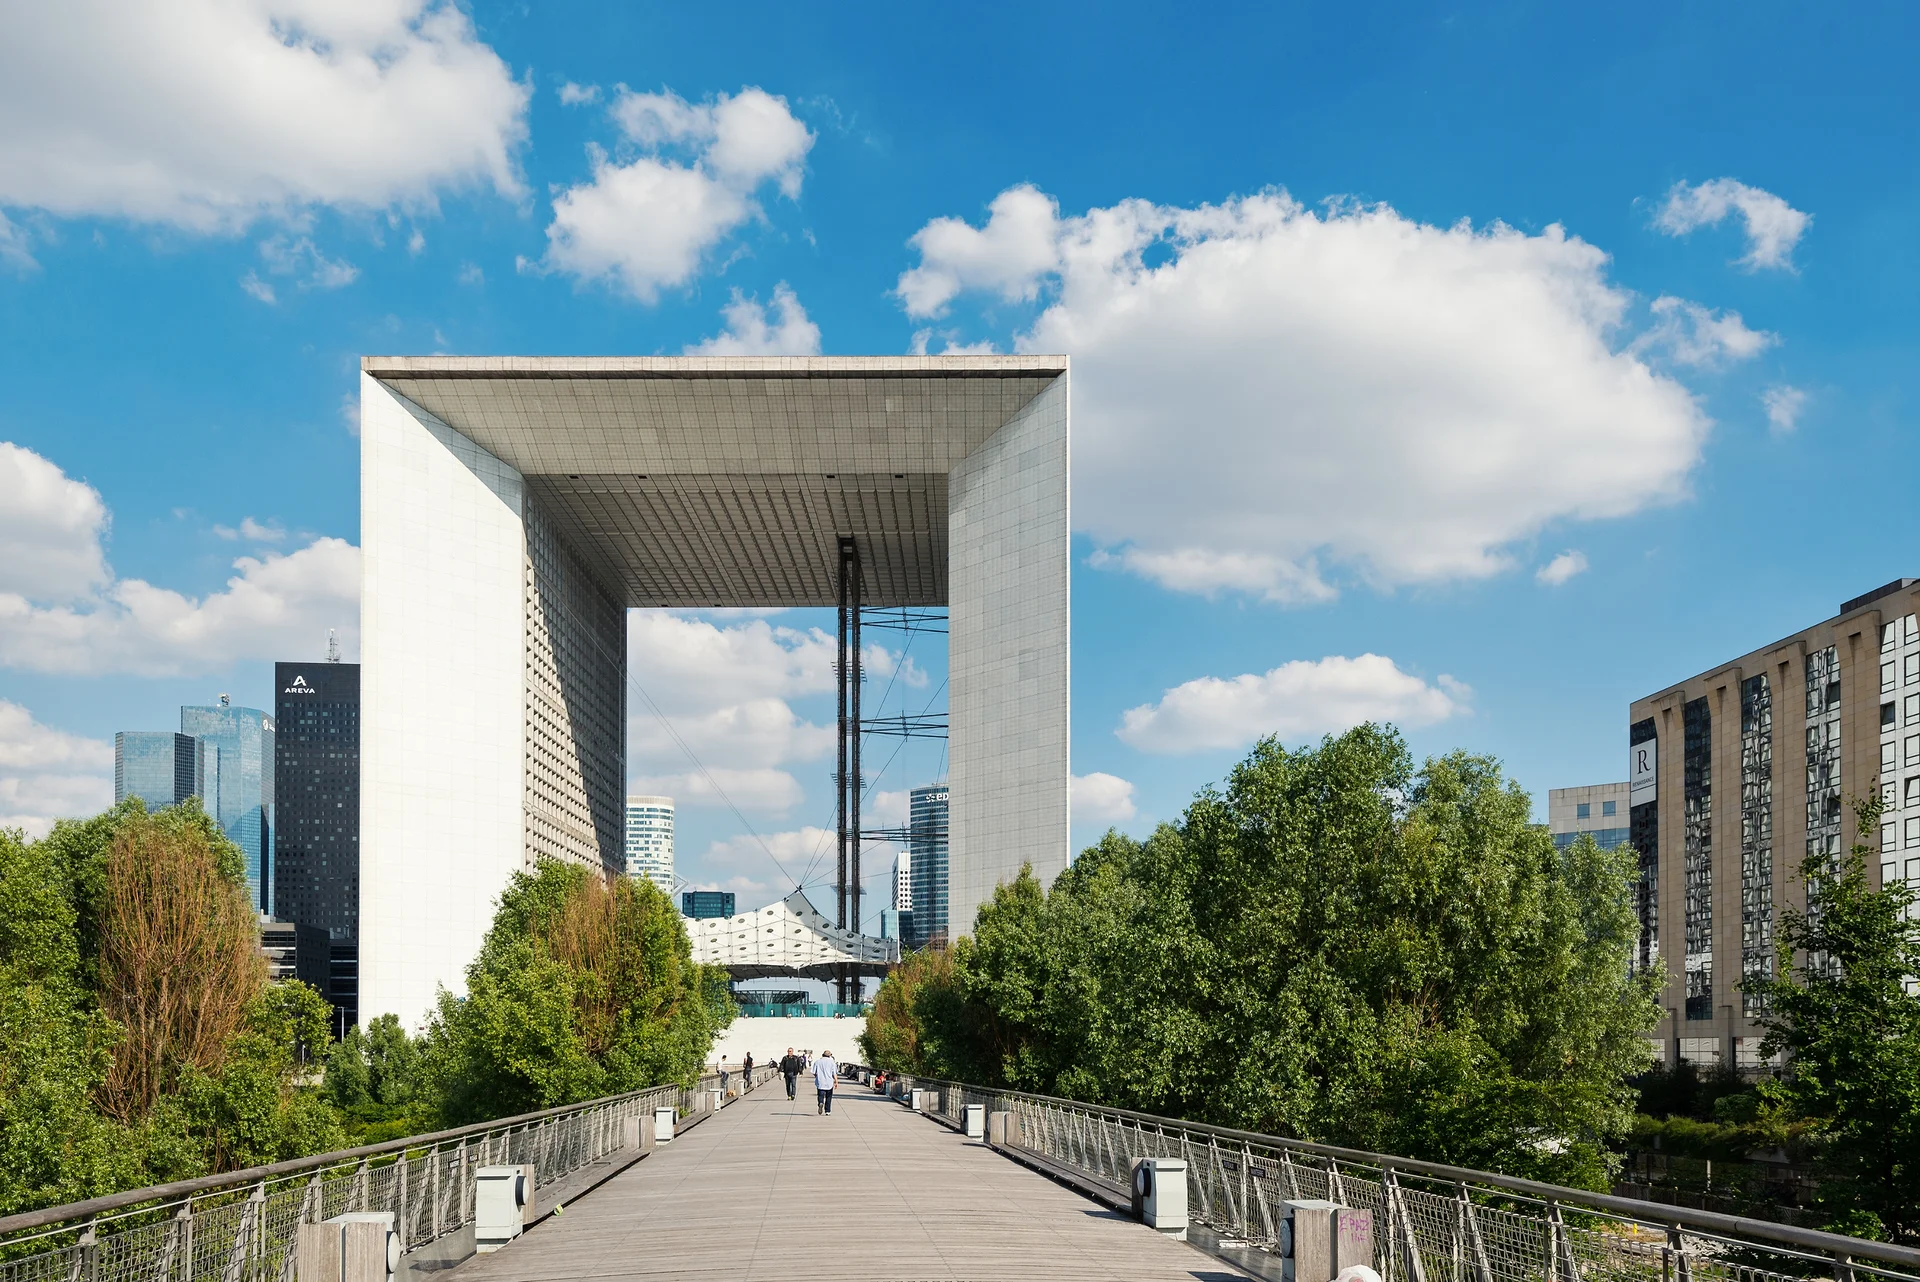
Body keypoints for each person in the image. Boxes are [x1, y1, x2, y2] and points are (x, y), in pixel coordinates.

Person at [813, 1048, 838, 1115]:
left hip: (820, 1081)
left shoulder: (817, 1062)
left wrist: (817, 1077)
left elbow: (814, 1072)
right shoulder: (832, 1063)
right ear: (829, 1056)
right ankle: (827, 1111)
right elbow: (834, 1073)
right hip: (829, 1082)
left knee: (820, 1095)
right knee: (828, 1097)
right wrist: (836, 1081)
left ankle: (821, 1103)